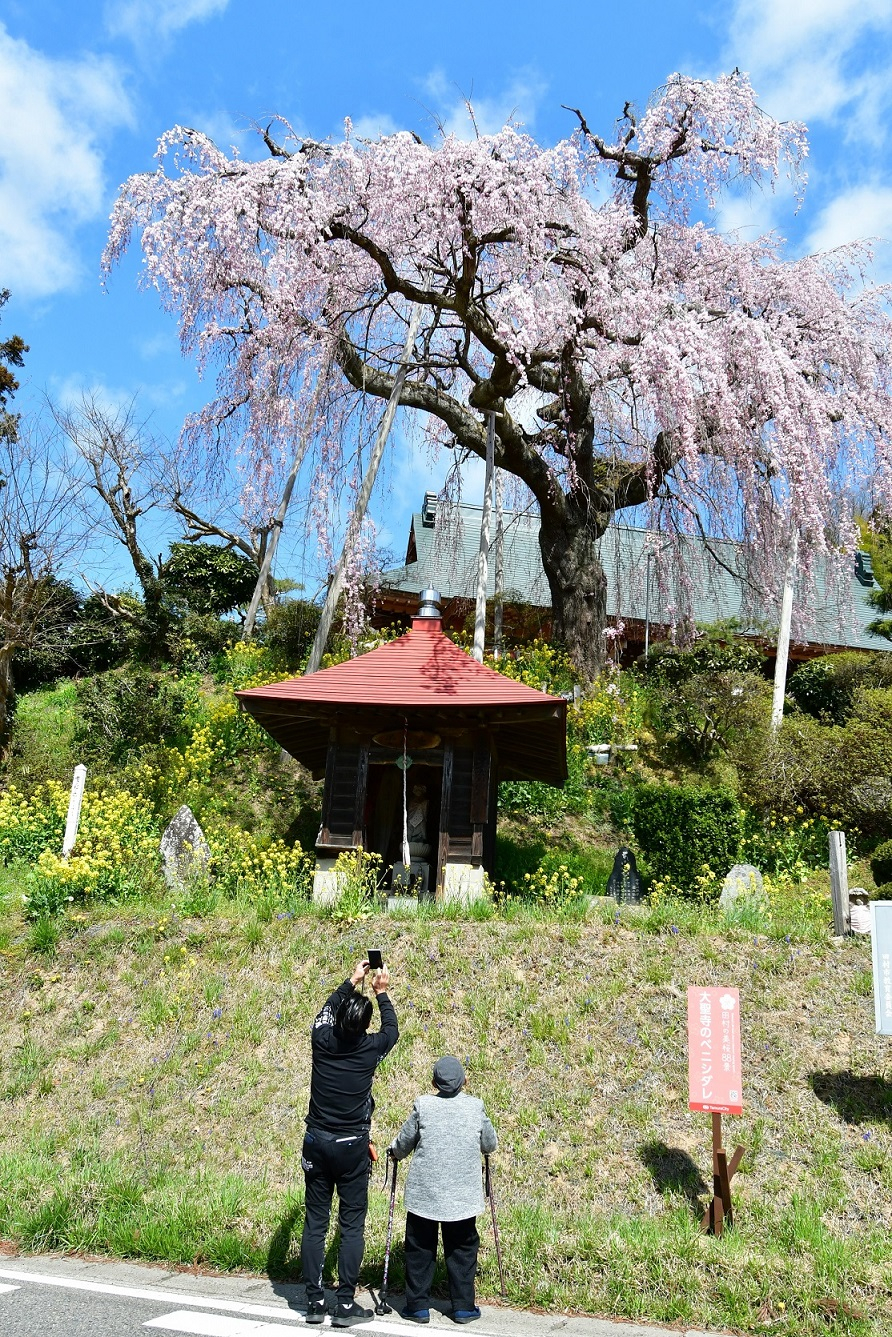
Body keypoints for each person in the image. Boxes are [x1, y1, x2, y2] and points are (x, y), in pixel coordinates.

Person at [301, 959, 399, 1328]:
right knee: (351, 1224)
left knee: (315, 1223)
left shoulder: (322, 1039)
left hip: (317, 1141)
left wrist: (349, 982)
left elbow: (323, 1013)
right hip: (352, 1146)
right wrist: (381, 991)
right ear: (364, 1026)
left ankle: (313, 1302)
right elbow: (392, 1029)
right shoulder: (371, 1047)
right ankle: (344, 1305)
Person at [388, 1055, 497, 1326]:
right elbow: (490, 1144)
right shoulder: (475, 1107)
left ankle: (418, 1307)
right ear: (465, 1081)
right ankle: (462, 1308)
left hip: (425, 1194)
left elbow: (402, 1144)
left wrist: (394, 1153)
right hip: (462, 1197)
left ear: (433, 1082)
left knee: (420, 1248)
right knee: (462, 1249)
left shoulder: (423, 1105)